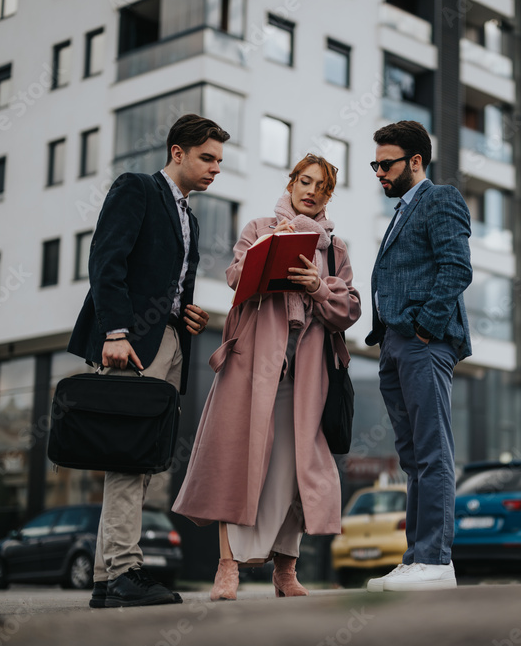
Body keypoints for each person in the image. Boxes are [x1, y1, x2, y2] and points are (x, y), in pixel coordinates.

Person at [173, 154, 361, 600]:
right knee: (237, 464)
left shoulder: (335, 249)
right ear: (291, 183)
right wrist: (267, 251)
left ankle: (285, 572)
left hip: (307, 380)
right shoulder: (259, 226)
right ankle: (227, 570)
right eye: (305, 181)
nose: (311, 191)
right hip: (252, 369)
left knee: (296, 473)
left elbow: (349, 309)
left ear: (328, 195)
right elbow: (237, 280)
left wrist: (317, 286)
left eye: (321, 186)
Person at [67, 114, 227, 608]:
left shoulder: (190, 218)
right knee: (127, 460)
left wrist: (186, 315)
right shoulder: (136, 188)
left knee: (141, 462)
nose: (215, 169)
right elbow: (105, 261)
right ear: (177, 152)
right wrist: (114, 330)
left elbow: (165, 282)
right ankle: (123, 573)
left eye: (220, 161)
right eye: (207, 158)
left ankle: (105, 579)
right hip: (132, 343)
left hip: (170, 343)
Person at [365, 121, 472, 592]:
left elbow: (456, 267)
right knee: (411, 457)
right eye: (375, 165)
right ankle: (416, 559)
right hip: (395, 344)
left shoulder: (440, 198)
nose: (379, 173)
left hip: (423, 342)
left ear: (415, 161)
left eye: (385, 164)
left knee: (432, 451)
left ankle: (436, 559)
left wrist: (426, 326)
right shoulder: (399, 212)